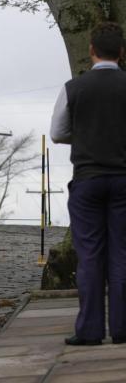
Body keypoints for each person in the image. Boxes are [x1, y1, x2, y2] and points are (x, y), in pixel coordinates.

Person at [51, 22, 126, 346]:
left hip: (87, 180)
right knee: (122, 254)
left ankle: (90, 330)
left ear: (92, 50)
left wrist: (85, 135)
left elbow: (57, 133)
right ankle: (122, 329)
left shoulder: (73, 88)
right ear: (122, 53)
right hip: (124, 181)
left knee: (91, 255)